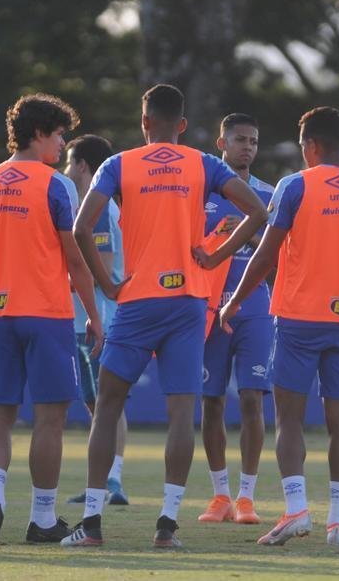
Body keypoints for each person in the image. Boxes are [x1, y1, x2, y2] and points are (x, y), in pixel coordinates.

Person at [62, 83, 266, 549]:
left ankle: (91, 525)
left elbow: (80, 227)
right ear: (182, 126)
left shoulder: (118, 164)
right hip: (189, 302)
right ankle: (166, 525)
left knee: (108, 407)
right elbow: (257, 210)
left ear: (144, 123)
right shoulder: (204, 163)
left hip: (136, 301)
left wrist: (110, 285)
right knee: (182, 413)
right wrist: (216, 258)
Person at [220, 107, 339, 548]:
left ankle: (297, 510)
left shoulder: (296, 185)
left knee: (290, 420)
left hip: (300, 316)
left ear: (311, 146)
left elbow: (264, 254)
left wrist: (235, 302)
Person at [0, 93, 103, 544]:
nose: (62, 144)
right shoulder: (55, 185)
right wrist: (94, 316)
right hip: (45, 313)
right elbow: (76, 260)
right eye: (60, 135)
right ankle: (43, 518)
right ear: (41, 133)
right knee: (50, 419)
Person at [197, 113, 274, 527]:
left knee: (251, 398)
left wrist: (251, 233)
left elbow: (281, 252)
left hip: (254, 307)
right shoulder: (201, 191)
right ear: (221, 143)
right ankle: (219, 494)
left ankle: (246, 497)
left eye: (254, 141)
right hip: (209, 307)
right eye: (241, 139)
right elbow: (190, 246)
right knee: (210, 401)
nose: (248, 147)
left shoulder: (268, 194)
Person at [62, 134, 130, 507]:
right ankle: (109, 480)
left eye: (70, 162)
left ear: (84, 165)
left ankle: (111, 482)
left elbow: (101, 270)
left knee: (106, 403)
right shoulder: (94, 206)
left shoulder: (98, 207)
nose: (65, 169)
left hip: (99, 320)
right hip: (94, 318)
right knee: (102, 404)